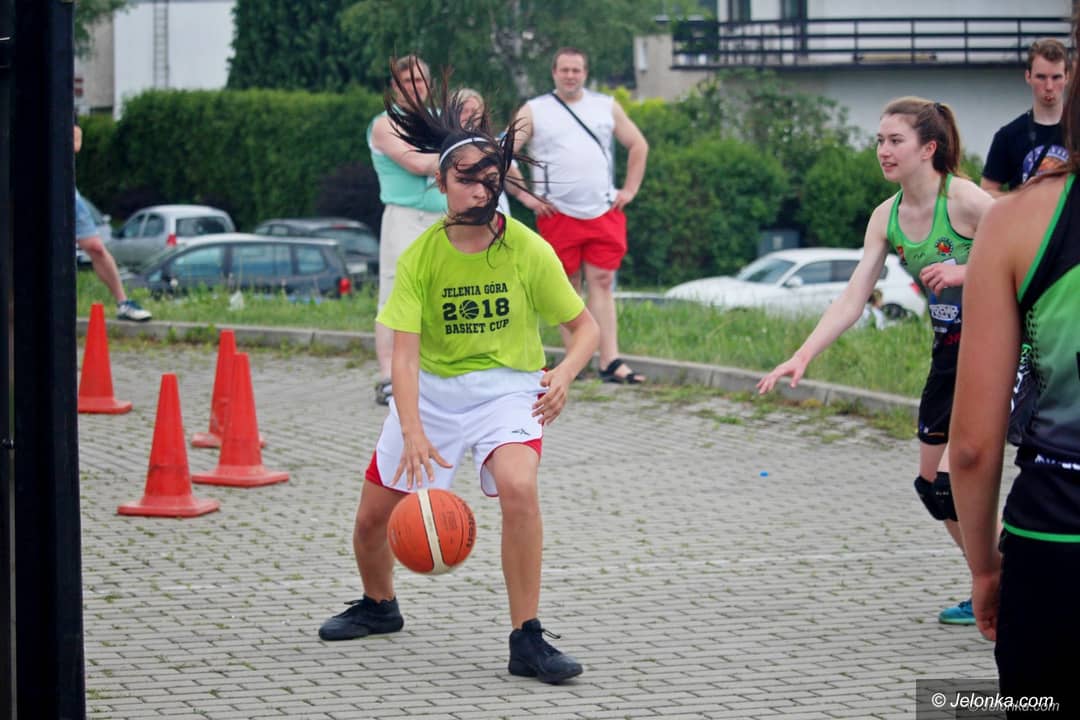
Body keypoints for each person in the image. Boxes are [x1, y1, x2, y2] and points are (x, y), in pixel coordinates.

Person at [317, 70, 600, 685]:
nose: (479, 189)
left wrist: (564, 374)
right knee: (370, 523)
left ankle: (527, 638)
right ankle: (379, 605)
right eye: (465, 178)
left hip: (508, 388)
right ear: (441, 183)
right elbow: (405, 358)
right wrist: (414, 430)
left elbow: (586, 330)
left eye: (489, 178)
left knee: (520, 489)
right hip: (434, 394)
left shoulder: (526, 248)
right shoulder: (422, 256)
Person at [757, 97, 993, 625]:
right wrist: (802, 354)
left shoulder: (965, 200)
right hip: (949, 353)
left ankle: (1004, 586)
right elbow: (853, 296)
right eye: (879, 141)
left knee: (955, 481)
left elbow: (1035, 249)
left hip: (998, 350)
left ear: (928, 148)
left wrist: (964, 272)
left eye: (895, 141)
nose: (883, 150)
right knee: (931, 488)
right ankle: (993, 576)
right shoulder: (886, 216)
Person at [951, 19, 1080, 715]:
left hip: (1053, 541)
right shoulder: (1010, 151)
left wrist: (983, 566)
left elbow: (972, 446)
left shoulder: (1015, 221)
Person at [507, 47, 648, 384]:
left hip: (602, 209)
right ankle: (575, 363)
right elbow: (505, 150)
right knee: (567, 285)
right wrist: (524, 195)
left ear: (585, 73)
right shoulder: (535, 109)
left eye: (576, 70)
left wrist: (630, 189)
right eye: (564, 70)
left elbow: (638, 145)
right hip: (558, 212)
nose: (570, 75)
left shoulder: (605, 105)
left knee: (602, 282)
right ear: (554, 73)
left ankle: (610, 360)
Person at [369, 55, 448, 405]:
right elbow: (415, 162)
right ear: (395, 86)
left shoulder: (440, 119)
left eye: (419, 81)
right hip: (404, 216)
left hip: (442, 215)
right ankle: (388, 374)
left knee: (440, 293)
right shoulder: (385, 124)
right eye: (406, 81)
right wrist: (457, 156)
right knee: (396, 294)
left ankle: (431, 370)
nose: (414, 87)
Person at [74, 121, 151, 322]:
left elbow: (76, 142)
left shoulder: (65, 110)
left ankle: (123, 303)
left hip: (64, 188)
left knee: (96, 247)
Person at [980, 38, 1069, 197]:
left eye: (1056, 77)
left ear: (1067, 77)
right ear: (1028, 76)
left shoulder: (1076, 129)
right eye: (1041, 77)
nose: (1049, 86)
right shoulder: (1008, 136)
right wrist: (1021, 200)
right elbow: (986, 192)